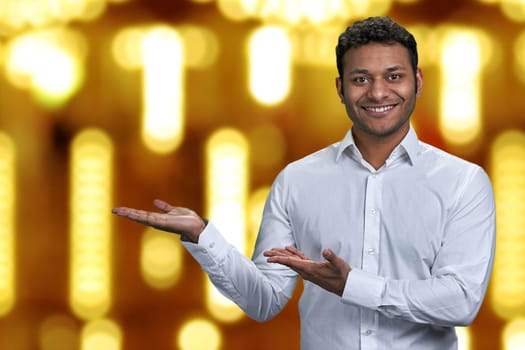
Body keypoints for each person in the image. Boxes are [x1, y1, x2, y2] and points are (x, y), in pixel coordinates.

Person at [112, 16, 496, 350]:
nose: (378, 92)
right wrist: (203, 237)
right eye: (361, 79)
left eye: (393, 76)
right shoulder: (297, 181)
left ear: (417, 80)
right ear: (340, 88)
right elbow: (264, 300)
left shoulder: (461, 183)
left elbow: (461, 302)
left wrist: (353, 285)